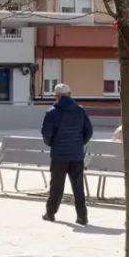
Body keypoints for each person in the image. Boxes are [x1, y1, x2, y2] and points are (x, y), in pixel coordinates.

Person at [41, 83, 93, 225]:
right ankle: (82, 216)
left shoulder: (51, 112)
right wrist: (79, 143)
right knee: (78, 186)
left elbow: (46, 134)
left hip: (59, 155)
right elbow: (89, 131)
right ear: (70, 94)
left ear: (56, 96)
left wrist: (53, 144)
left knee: (56, 186)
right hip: (76, 154)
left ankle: (50, 213)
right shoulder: (80, 111)